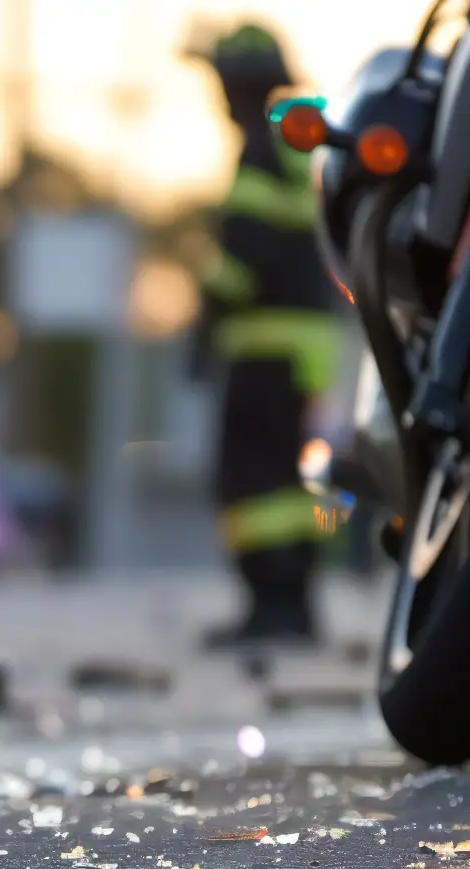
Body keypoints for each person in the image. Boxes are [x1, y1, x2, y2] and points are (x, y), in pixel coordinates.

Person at [196, 24, 343, 648]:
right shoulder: (296, 145)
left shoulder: (260, 147)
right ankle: (295, 604)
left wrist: (207, 321)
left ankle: (271, 606)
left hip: (265, 346)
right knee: (289, 479)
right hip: (309, 345)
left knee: (251, 480)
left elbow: (243, 255)